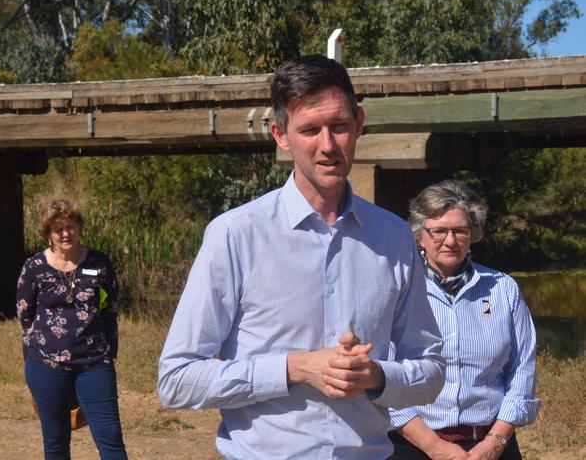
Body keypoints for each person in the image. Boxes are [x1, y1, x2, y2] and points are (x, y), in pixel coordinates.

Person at [157, 54, 445, 459]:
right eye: (310, 130)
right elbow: (177, 379)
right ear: (280, 134)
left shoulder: (394, 237)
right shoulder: (235, 235)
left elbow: (431, 370)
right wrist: (295, 368)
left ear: (360, 122)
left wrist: (377, 376)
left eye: (340, 126)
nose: (328, 146)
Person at [388, 180, 540, 460]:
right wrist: (437, 448)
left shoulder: (503, 288)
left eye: (460, 230)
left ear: (473, 234)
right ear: (420, 234)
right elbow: (383, 376)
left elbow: (523, 369)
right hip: (412, 447)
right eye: (439, 231)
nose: (450, 240)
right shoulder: (398, 289)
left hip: (492, 445)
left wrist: (494, 442)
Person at [16, 199, 128, 460]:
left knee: (111, 440)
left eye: (71, 226)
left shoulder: (100, 263)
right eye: (58, 229)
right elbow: (25, 313)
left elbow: (110, 310)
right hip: (46, 366)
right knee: (55, 444)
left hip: (95, 364)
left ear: (79, 227)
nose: (66, 233)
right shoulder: (34, 268)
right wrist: (37, 352)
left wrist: (110, 352)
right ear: (48, 234)